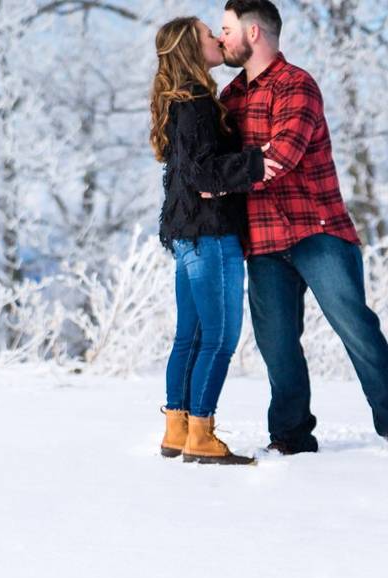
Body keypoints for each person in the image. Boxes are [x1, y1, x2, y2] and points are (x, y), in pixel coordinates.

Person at [216, 0, 388, 454]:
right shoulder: (229, 98)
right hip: (263, 241)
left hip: (318, 231)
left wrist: (222, 175)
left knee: (357, 328)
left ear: (253, 33)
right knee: (277, 345)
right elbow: (211, 161)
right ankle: (291, 437)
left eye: (227, 29)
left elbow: (282, 156)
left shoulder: (297, 85)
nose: (221, 38)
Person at [150, 16, 281, 464]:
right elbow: (202, 172)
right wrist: (256, 162)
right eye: (211, 35)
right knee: (220, 339)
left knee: (190, 336)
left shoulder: (179, 99)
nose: (218, 39)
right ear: (192, 48)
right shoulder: (199, 103)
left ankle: (178, 430)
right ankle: (201, 436)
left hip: (186, 234)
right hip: (211, 233)